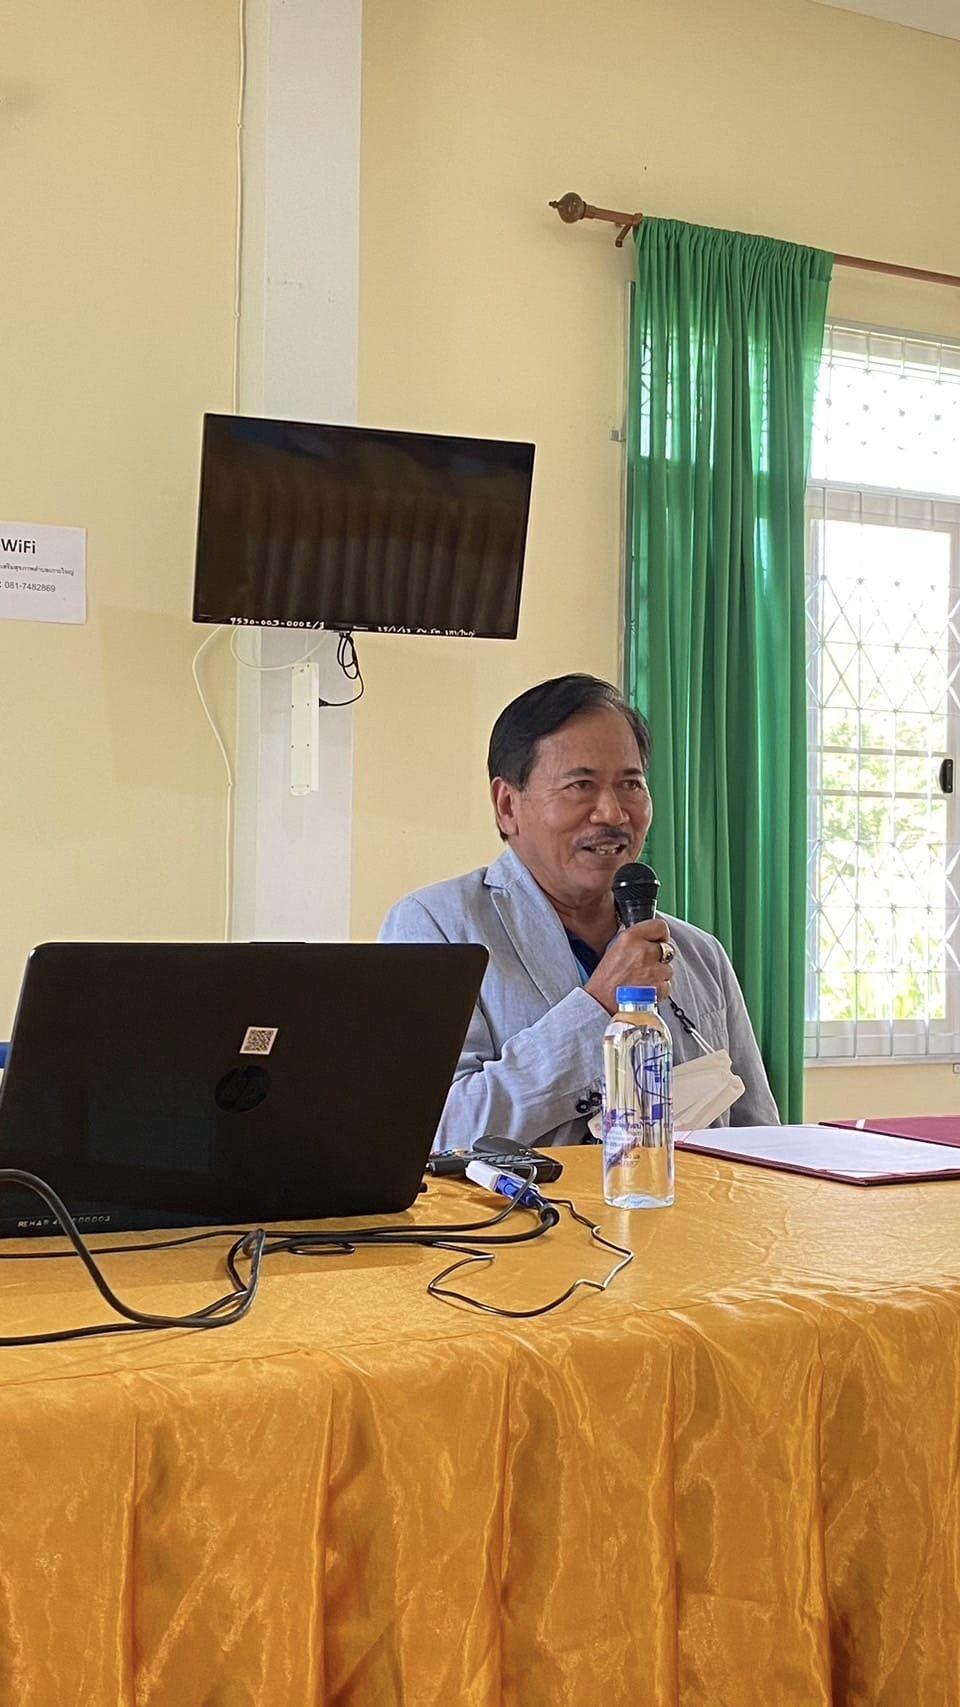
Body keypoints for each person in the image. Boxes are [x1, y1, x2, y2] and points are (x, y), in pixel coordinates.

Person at [380, 674, 779, 1149]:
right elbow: (430, 1130)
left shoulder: (698, 953)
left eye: (631, 784)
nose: (612, 813)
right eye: (580, 786)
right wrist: (597, 1008)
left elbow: (761, 1137)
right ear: (507, 806)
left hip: (690, 1198)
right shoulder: (436, 928)